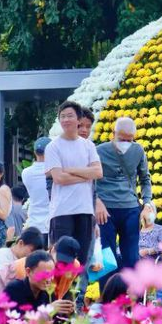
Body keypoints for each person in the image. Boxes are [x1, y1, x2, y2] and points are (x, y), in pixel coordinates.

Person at [44, 101, 102, 267]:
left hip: (85, 210)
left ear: (78, 119)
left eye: (70, 116)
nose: (66, 120)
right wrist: (86, 175)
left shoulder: (88, 146)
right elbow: (59, 178)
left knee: (82, 260)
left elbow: (98, 172)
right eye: (62, 116)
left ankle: (77, 286)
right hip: (62, 211)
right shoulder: (53, 147)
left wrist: (70, 170)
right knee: (62, 260)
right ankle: (60, 286)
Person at [95, 116, 153, 270]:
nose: (125, 143)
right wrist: (96, 200)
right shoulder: (99, 151)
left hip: (130, 208)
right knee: (107, 258)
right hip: (105, 210)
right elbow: (88, 181)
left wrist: (147, 203)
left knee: (132, 257)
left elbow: (145, 178)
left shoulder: (138, 150)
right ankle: (108, 286)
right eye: (121, 139)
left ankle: (132, 286)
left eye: (129, 140)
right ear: (113, 134)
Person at [4, 250, 75, 318]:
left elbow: (55, 320)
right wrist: (48, 310)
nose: (49, 279)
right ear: (28, 272)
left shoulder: (48, 292)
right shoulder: (14, 289)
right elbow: (15, 321)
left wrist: (66, 311)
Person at [21, 137, 52, 244]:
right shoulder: (54, 172)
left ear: (35, 152)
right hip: (51, 223)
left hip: (33, 222)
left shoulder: (26, 173)